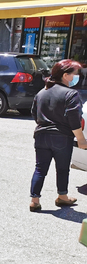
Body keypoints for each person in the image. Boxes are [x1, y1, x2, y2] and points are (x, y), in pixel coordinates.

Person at [29, 59, 87, 212]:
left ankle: (35, 200)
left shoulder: (41, 93)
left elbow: (35, 114)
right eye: (75, 74)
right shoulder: (71, 94)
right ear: (66, 75)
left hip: (41, 135)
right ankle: (62, 196)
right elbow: (74, 119)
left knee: (40, 169)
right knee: (62, 169)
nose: (78, 77)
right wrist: (81, 139)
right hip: (61, 137)